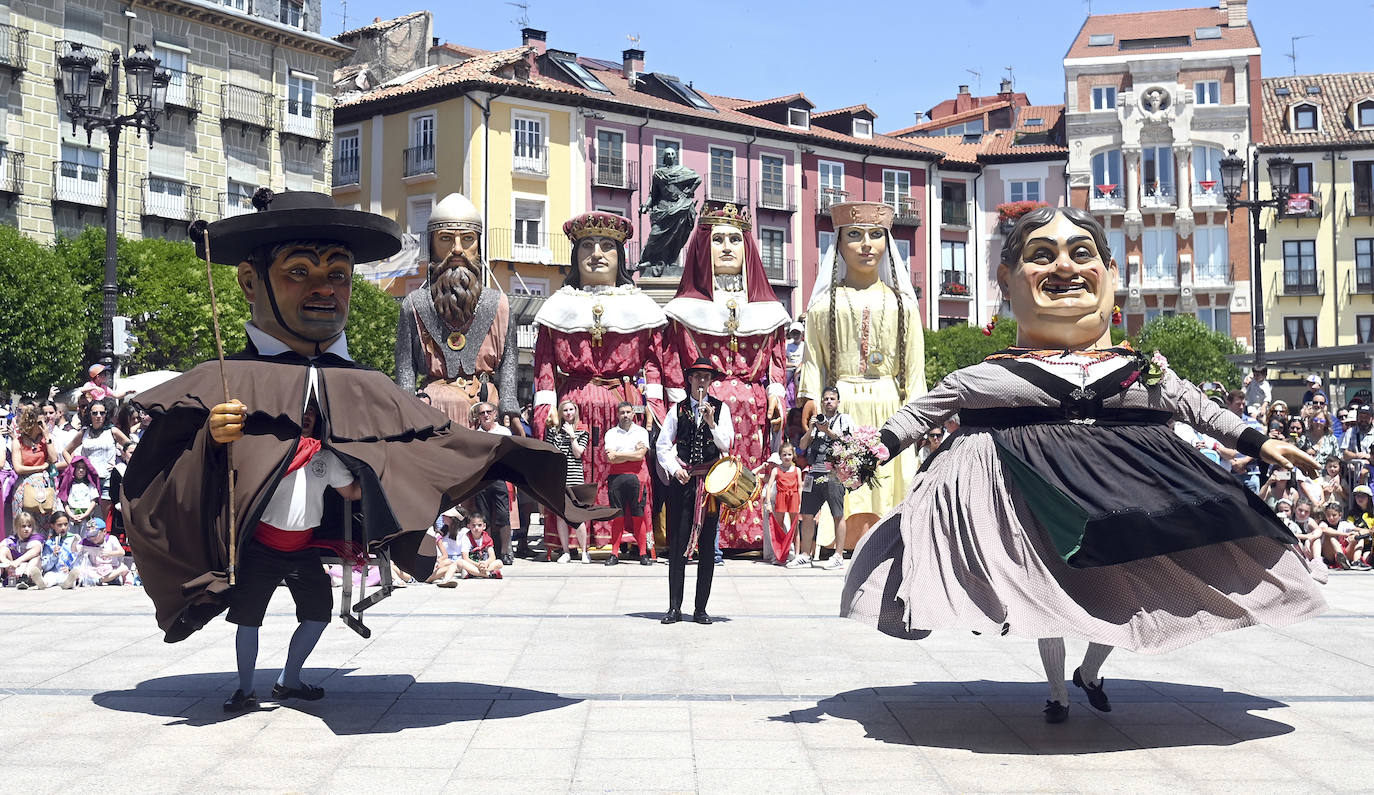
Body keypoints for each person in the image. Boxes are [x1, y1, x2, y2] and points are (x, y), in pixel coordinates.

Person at [841, 205, 1326, 725]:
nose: (1064, 268)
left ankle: (1090, 672)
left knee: (1123, 587)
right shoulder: (988, 375)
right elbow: (920, 414)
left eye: (1081, 254)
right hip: (1033, 502)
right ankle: (1056, 691)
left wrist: (1259, 442)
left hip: (1120, 493)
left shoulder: (1140, 370)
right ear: (1007, 281)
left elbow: (1197, 408)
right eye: (1041, 256)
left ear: (1111, 276)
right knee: (1042, 589)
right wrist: (863, 453)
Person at [121, 190, 615, 650]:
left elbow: (430, 443)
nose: (323, 290)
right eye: (299, 272)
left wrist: (514, 457)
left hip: (317, 534)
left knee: (312, 612)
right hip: (254, 544)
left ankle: (289, 676)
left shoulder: (367, 384)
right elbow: (155, 484)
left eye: (337, 274)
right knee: (249, 616)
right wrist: (210, 439)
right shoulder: (220, 382)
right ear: (251, 282)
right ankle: (248, 684)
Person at [532, 211, 670, 552]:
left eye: (607, 246)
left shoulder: (640, 306)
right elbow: (545, 366)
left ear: (619, 256)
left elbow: (654, 363)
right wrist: (545, 409)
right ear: (575, 256)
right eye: (587, 246)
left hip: (624, 404)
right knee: (575, 472)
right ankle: (577, 541)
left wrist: (653, 406)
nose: (596, 254)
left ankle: (624, 540)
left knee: (624, 469)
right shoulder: (557, 307)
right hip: (572, 407)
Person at [219, 399, 361, 711]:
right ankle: (245, 690)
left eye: (312, 411)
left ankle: (289, 681)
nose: (306, 416)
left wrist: (381, 466)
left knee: (318, 614)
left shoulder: (325, 456)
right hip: (262, 549)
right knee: (248, 619)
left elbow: (352, 492)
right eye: (302, 409)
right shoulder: (268, 452)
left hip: (302, 550)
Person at [662, 203, 789, 550]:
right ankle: (708, 538)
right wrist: (679, 407)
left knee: (749, 466)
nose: (728, 247)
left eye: (735, 239)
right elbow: (672, 364)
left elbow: (777, 359)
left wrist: (776, 392)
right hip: (706, 403)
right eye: (718, 240)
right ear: (703, 249)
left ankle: (748, 535)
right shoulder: (683, 312)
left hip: (753, 408)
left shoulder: (767, 312)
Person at [798, 201, 926, 534]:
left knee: (889, 486)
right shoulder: (823, 306)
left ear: (887, 243)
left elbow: (914, 371)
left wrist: (918, 416)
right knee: (840, 482)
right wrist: (810, 398)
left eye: (875, 235)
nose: (866, 245)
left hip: (890, 406)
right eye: (855, 235)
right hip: (842, 406)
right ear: (839, 244)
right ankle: (838, 539)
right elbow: (813, 360)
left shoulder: (904, 306)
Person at [395, 193, 518, 429]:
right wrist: (405, 410)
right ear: (431, 243)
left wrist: (510, 402)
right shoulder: (414, 305)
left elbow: (509, 360)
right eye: (446, 239)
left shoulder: (500, 304)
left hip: (486, 412)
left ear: (479, 245)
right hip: (433, 413)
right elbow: (405, 367)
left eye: (468, 239)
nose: (458, 250)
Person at [655, 358, 734, 625]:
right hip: (683, 482)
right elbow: (662, 445)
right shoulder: (676, 410)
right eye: (697, 376)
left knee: (707, 546)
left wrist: (711, 423)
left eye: (706, 377)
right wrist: (674, 468)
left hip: (709, 486)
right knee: (677, 544)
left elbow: (726, 444)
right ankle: (674, 607)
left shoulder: (721, 410)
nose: (702, 381)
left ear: (711, 382)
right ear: (689, 379)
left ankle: (701, 608)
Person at [789, 387, 852, 570]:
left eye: (832, 398)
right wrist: (812, 428)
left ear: (838, 402)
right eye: (825, 399)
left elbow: (848, 443)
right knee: (807, 515)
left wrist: (828, 431)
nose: (829, 402)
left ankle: (838, 555)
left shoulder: (844, 420)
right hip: (814, 473)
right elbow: (801, 446)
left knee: (837, 515)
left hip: (833, 474)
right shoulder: (816, 422)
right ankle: (805, 555)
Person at [638, 147, 701, 275]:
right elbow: (653, 194)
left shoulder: (682, 171)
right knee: (655, 234)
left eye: (673, 154)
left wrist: (688, 192)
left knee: (677, 235)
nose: (671, 156)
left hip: (680, 206)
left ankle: (671, 260)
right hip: (663, 208)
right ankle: (649, 259)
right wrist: (646, 206)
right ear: (663, 157)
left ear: (675, 156)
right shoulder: (658, 174)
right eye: (668, 154)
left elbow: (697, 179)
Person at [604, 401, 653, 565]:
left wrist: (620, 455)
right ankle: (614, 554)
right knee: (617, 517)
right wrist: (632, 452)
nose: (625, 415)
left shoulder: (641, 432)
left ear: (633, 414)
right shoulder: (611, 433)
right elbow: (610, 458)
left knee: (638, 515)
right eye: (622, 412)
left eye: (628, 412)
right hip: (616, 478)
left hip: (637, 478)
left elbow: (641, 456)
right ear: (618, 414)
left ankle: (643, 553)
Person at [64, 398, 129, 520]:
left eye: (102, 413)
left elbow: (131, 447)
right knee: (86, 518)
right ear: (90, 415)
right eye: (95, 413)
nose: (99, 416)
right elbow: (66, 451)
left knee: (104, 520)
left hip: (107, 478)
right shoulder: (84, 432)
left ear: (106, 415)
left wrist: (123, 463)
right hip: (88, 480)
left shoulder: (112, 431)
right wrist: (76, 467)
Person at [544, 400, 591, 563]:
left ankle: (584, 551)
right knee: (561, 516)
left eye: (571, 409)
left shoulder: (582, 429)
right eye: (565, 410)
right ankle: (566, 552)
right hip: (558, 477)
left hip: (575, 477)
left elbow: (578, 453)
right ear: (561, 412)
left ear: (576, 411)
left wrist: (572, 436)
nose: (568, 413)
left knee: (577, 515)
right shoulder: (553, 430)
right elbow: (549, 453)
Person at [471, 402, 516, 565]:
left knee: (503, 515)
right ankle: (486, 551)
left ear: (495, 413)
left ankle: (506, 551)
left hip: (499, 476)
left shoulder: (504, 432)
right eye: (482, 413)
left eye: (489, 412)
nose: (486, 415)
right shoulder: (476, 434)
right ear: (478, 416)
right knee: (484, 517)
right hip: (482, 478)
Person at [10, 404, 59, 523]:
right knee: (24, 522)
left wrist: (47, 437)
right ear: (31, 423)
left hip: (44, 486)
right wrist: (40, 467)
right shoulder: (18, 442)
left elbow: (53, 459)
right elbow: (18, 468)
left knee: (46, 521)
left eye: (44, 422)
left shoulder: (45, 439)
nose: (43, 425)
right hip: (24, 485)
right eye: (40, 423)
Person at [764, 442, 801, 562]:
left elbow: (800, 487)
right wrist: (768, 502)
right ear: (780, 456)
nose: (787, 457)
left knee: (795, 527)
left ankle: (796, 554)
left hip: (793, 497)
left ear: (793, 455)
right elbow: (769, 486)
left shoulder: (797, 470)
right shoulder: (776, 470)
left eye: (789, 454)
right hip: (781, 497)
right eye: (784, 454)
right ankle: (778, 554)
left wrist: (800, 503)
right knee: (778, 527)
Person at [76, 517, 130, 586]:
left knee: (123, 568)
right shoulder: (87, 542)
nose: (92, 538)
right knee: (81, 570)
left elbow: (122, 552)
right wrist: (75, 541)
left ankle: (100, 581)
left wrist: (110, 553)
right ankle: (95, 580)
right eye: (90, 535)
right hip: (95, 570)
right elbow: (75, 549)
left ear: (104, 532)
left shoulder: (111, 539)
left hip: (111, 569)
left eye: (94, 535)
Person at [1, 510, 44, 588]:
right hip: (13, 568)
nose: (27, 529)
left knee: (36, 556)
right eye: (23, 526)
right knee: (3, 549)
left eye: (29, 526)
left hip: (29, 568)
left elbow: (36, 550)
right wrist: (10, 563)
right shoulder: (12, 539)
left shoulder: (36, 538)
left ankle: (24, 578)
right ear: (17, 527)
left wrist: (18, 561)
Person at [57, 457, 100, 534]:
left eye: (83, 468)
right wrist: (71, 515)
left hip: (86, 517)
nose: (81, 470)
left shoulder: (89, 485)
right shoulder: (68, 485)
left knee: (85, 538)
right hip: (71, 517)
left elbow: (94, 501)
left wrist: (86, 514)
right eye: (78, 468)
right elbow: (64, 502)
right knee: (71, 538)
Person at [453, 513, 502, 579]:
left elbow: (492, 557)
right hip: (472, 564)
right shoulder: (466, 538)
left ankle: (474, 573)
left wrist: (486, 563)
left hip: (485, 565)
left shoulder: (487, 538)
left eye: (479, 525)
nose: (476, 528)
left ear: (484, 526)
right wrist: (478, 565)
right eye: (473, 525)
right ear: (469, 526)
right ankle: (488, 574)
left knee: (499, 562)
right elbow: (465, 558)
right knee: (460, 562)